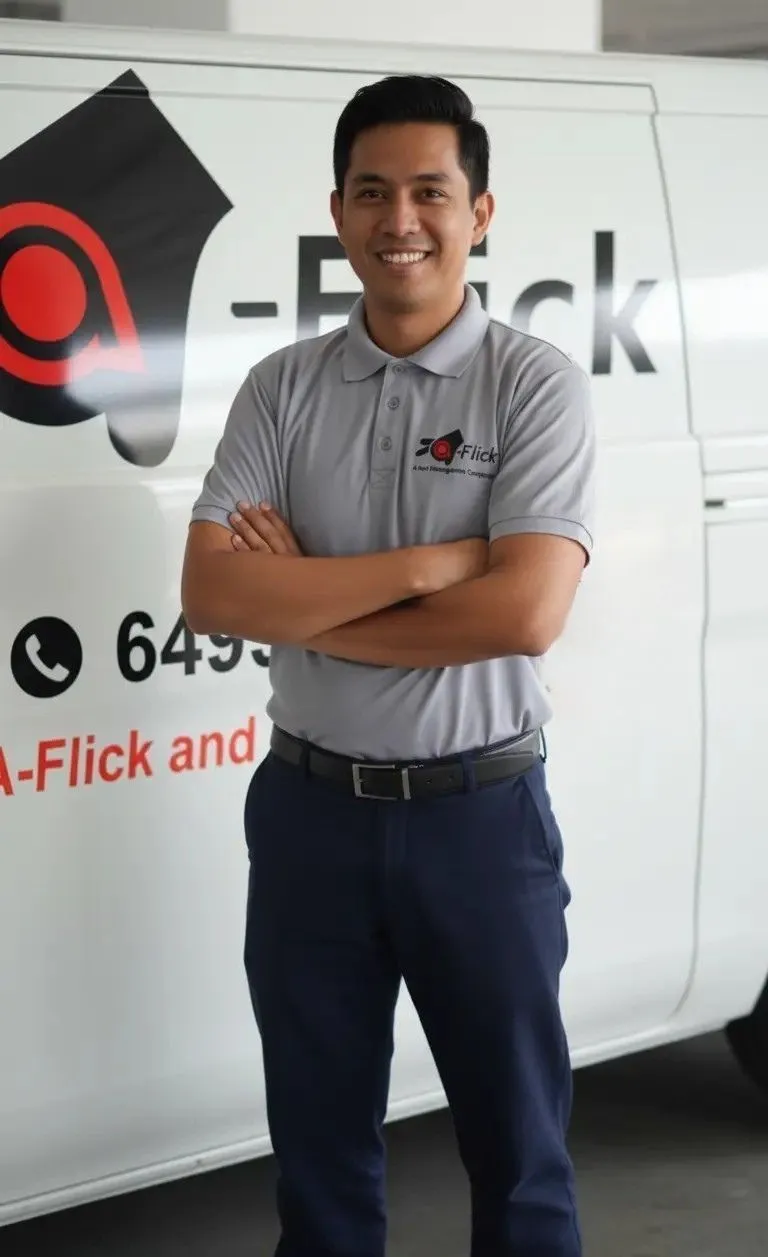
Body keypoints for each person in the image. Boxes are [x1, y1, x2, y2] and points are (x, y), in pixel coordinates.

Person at [181, 73, 595, 1257]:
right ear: (337, 210)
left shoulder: (532, 385)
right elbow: (214, 594)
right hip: (309, 817)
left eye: (429, 191)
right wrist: (424, 568)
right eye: (371, 192)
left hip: (480, 822)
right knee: (318, 1162)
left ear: (480, 212)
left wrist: (308, 602)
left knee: (520, 1162)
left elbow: (524, 613)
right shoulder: (283, 388)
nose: (398, 219)